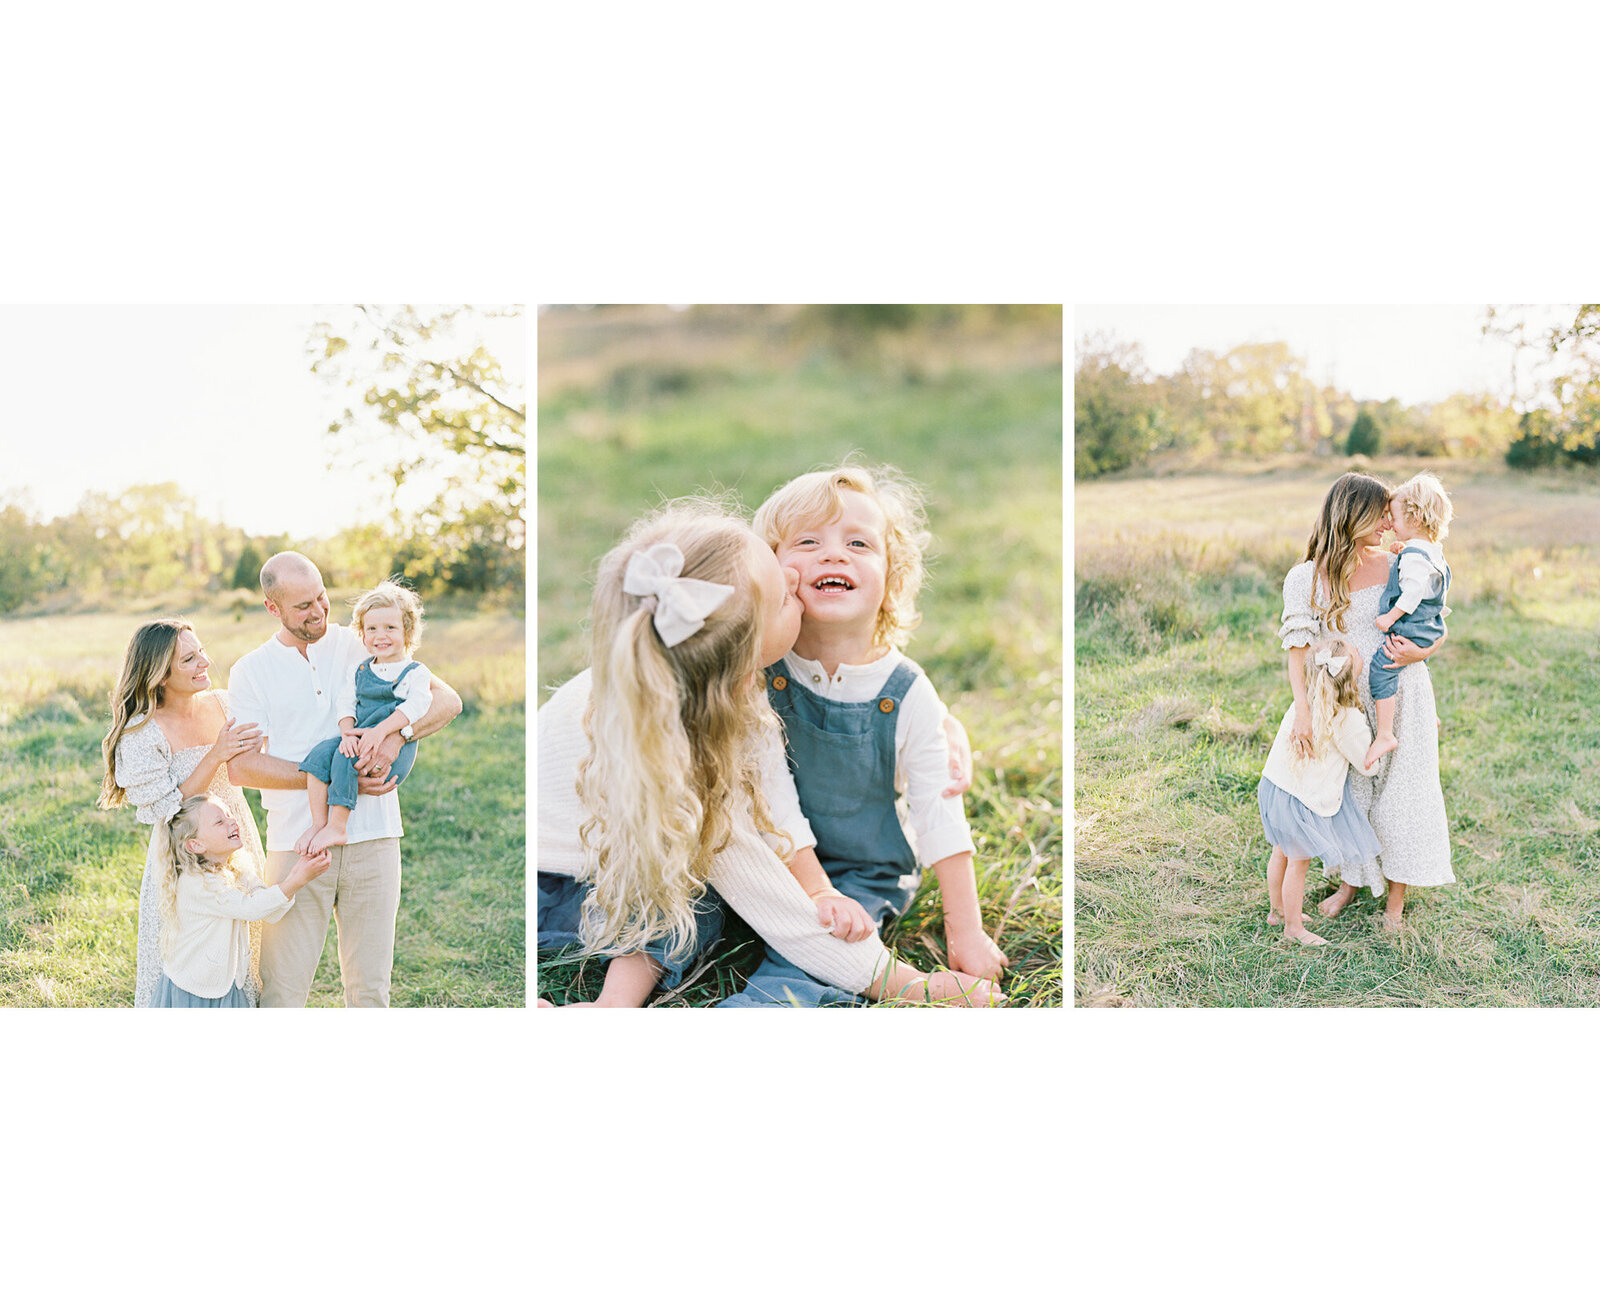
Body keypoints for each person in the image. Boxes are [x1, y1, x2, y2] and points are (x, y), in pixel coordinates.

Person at [536, 499, 1002, 1007]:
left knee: (716, 900)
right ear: (743, 659)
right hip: (560, 895)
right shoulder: (692, 754)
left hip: (609, 873)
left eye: (857, 543)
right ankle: (614, 1008)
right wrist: (914, 987)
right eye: (784, 596)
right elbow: (769, 898)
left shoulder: (678, 674)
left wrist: (939, 724)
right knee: (714, 906)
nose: (799, 588)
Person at [718, 463, 1007, 1006]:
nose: (833, 554)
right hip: (772, 851)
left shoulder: (907, 692)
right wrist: (808, 886)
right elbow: (771, 798)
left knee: (824, 947)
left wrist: (964, 932)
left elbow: (938, 814)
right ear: (772, 574)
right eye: (808, 541)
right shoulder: (757, 674)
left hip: (861, 869)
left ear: (891, 579)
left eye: (858, 543)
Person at [226, 552, 462, 1007]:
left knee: (371, 991)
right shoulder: (250, 672)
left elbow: (446, 700)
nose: (317, 612)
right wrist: (338, 778)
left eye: (322, 597)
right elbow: (242, 767)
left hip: (375, 839)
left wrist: (395, 738)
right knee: (281, 991)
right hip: (297, 844)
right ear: (272, 608)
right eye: (303, 606)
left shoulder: (360, 642)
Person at [1278, 472, 1454, 932]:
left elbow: (1434, 620)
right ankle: (1350, 883)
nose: (1388, 523)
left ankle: (1395, 903)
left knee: (1404, 795)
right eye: (1380, 513)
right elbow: (1298, 655)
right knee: (1351, 794)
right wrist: (1304, 713)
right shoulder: (1306, 577)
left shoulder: (1400, 561)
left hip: (1404, 690)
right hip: (1345, 701)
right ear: (1353, 514)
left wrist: (1423, 651)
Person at [98, 619, 267, 1007]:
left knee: (245, 955)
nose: (204, 662)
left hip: (235, 843)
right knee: (189, 963)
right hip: (184, 864)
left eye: (201, 651)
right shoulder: (142, 733)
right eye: (189, 659)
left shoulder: (225, 703)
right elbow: (169, 812)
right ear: (160, 675)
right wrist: (216, 754)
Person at [1257, 636, 1383, 946]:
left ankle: (1279, 910)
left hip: (1278, 788)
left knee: (1280, 853)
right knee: (1298, 865)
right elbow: (1368, 766)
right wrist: (1380, 745)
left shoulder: (1306, 701)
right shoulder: (1347, 717)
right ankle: (1294, 930)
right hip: (1304, 801)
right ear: (1350, 678)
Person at [149, 796, 331, 1007]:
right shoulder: (196, 883)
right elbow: (251, 909)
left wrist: (297, 875)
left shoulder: (237, 868)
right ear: (196, 844)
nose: (232, 821)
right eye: (219, 822)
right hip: (194, 988)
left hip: (227, 985)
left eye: (229, 815)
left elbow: (269, 910)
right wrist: (296, 880)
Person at [295, 581, 433, 857]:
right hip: (360, 735)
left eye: (390, 628)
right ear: (362, 634)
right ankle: (319, 823)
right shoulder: (360, 669)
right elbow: (345, 702)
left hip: (393, 747)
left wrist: (380, 733)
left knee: (345, 758)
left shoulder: (414, 672)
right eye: (372, 629)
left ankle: (338, 826)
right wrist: (347, 734)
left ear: (407, 630)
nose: (380, 636)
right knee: (320, 755)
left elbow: (419, 705)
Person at [1366, 473, 1454, 769]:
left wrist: (1390, 616)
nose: (1390, 525)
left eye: (1394, 517)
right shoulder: (1432, 553)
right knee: (1421, 667)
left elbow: (1415, 589)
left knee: (1383, 667)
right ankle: (1430, 710)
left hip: (1410, 627)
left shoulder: (1415, 556)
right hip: (1430, 627)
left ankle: (1385, 734)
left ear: (1415, 519)